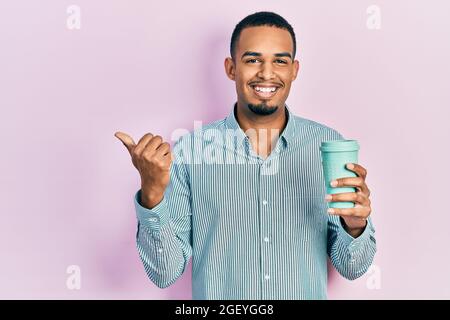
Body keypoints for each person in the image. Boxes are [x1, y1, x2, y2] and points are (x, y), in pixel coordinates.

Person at [115, 11, 376, 300]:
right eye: (253, 60)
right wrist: (151, 194)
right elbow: (165, 273)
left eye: (280, 60)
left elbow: (353, 267)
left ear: (294, 70)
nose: (267, 73)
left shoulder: (328, 145)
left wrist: (355, 226)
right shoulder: (190, 152)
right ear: (231, 68)